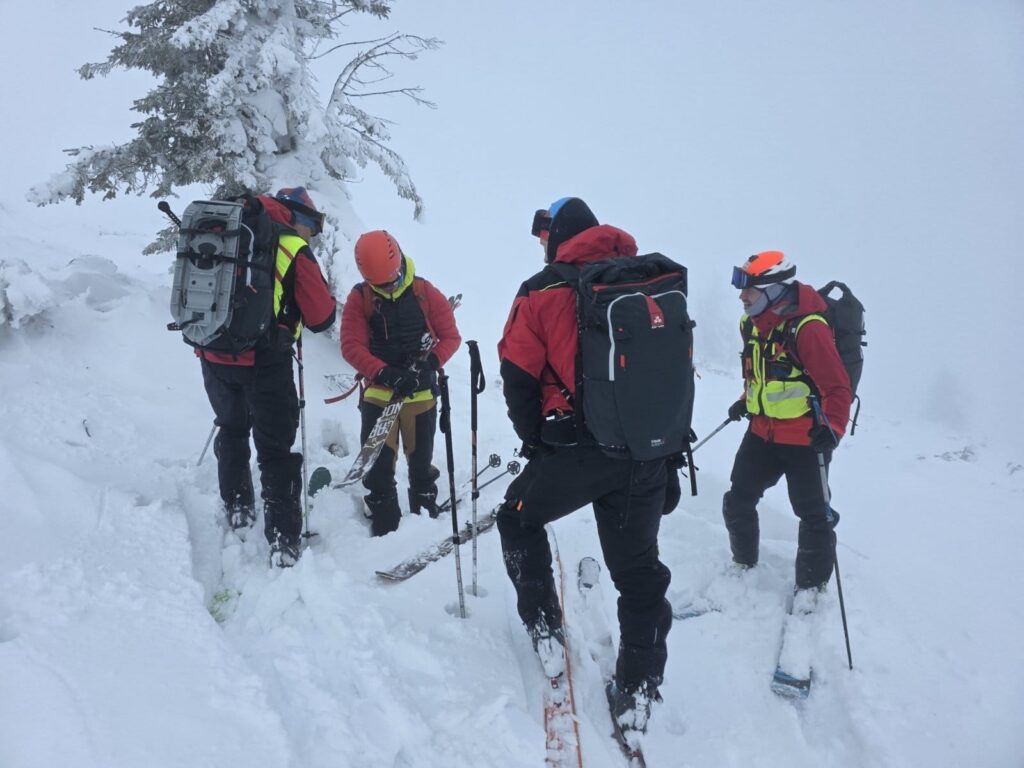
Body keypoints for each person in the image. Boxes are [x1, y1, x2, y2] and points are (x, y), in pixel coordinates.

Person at [496, 196, 672, 739]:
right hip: (647, 452)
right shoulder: (651, 282)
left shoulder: (543, 289)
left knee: (517, 520)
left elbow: (518, 375)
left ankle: (546, 627)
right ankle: (639, 688)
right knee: (639, 573)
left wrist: (536, 442)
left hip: (577, 450)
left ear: (557, 238)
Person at [199, 186, 337, 567]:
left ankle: (238, 506)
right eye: (313, 225)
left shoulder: (225, 228)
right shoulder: (291, 243)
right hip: (265, 360)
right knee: (276, 449)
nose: (313, 234)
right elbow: (322, 316)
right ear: (301, 217)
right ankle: (283, 539)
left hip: (212, 351)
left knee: (231, 427)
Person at [723, 250, 852, 602]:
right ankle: (743, 564)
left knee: (814, 515)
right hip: (761, 432)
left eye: (748, 288)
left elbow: (838, 387)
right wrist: (745, 399)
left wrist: (833, 429)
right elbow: (761, 372)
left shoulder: (808, 328)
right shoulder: (749, 324)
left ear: (774, 289)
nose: (741, 295)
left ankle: (811, 590)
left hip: (804, 438)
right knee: (738, 499)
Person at [339, 230, 461, 537]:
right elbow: (351, 346)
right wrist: (385, 373)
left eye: (391, 281)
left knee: (421, 466)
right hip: (380, 395)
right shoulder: (360, 297)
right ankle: (384, 527)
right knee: (378, 470)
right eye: (379, 285)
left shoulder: (424, 292)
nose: (388, 288)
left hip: (421, 396)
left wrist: (430, 364)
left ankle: (426, 521)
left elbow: (450, 337)